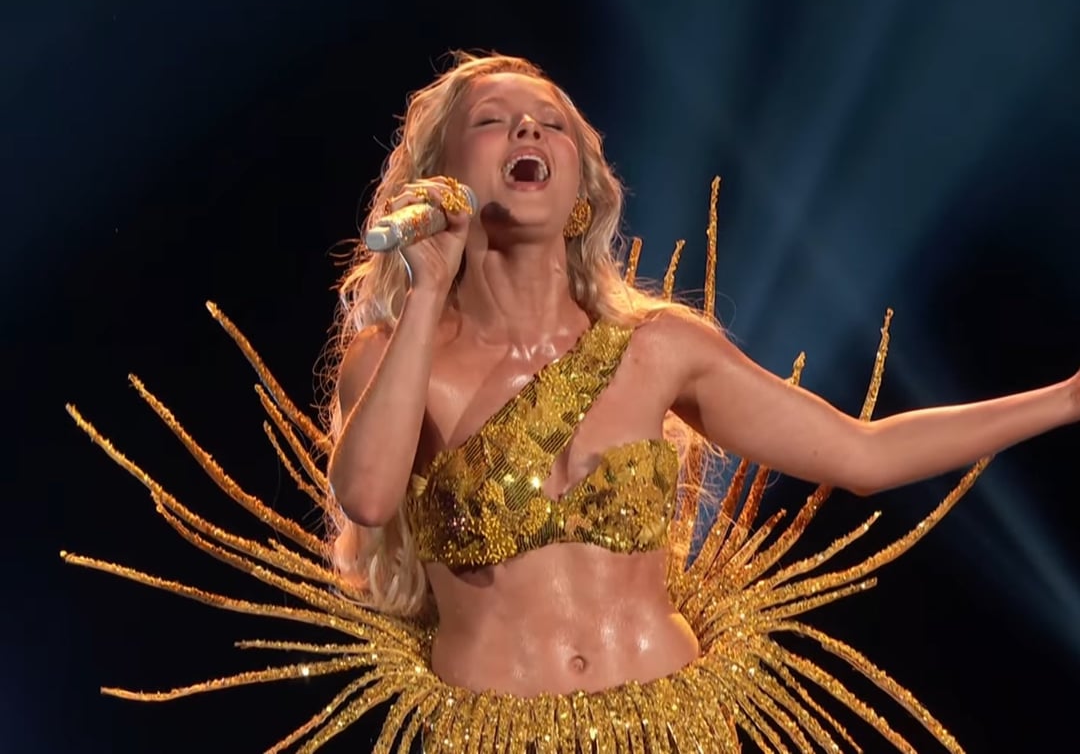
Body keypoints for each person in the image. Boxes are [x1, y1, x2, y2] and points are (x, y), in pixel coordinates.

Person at [64, 51, 1079, 753]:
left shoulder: (659, 348)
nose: (527, 129)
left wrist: (1068, 398)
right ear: (441, 178)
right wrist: (426, 293)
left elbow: (861, 455)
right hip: (493, 732)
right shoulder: (397, 357)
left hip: (676, 724)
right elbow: (366, 498)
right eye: (493, 122)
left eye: (550, 122)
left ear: (584, 186)